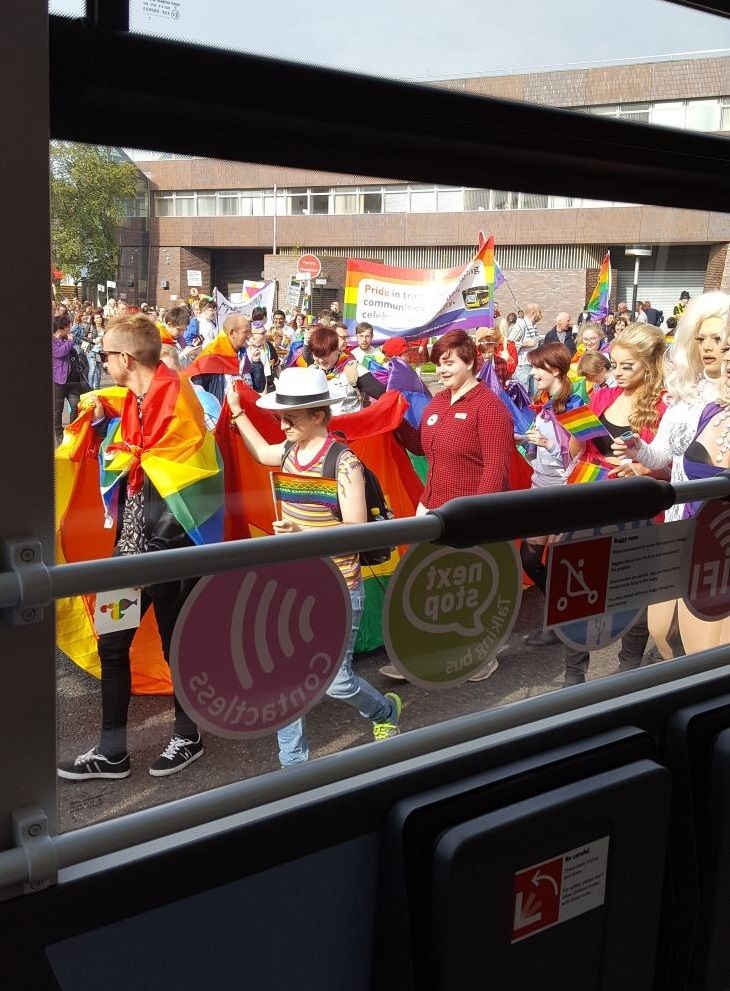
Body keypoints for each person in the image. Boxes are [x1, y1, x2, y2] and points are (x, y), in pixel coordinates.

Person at [57, 314, 224, 780]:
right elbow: (129, 432)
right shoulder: (138, 400)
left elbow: (192, 477)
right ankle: (113, 751)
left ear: (126, 360)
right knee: (113, 647)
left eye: (107, 355)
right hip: (129, 556)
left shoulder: (180, 403)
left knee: (177, 648)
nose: (102, 361)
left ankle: (187, 737)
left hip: (169, 552)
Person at [225, 366, 402, 767]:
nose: (282, 424)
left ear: (318, 416)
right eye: (279, 417)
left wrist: (299, 531)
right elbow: (260, 451)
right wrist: (237, 412)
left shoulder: (344, 464)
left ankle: (384, 711)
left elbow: (357, 534)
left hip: (338, 587)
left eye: (290, 418)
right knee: (286, 680)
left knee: (338, 683)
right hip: (294, 584)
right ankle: (294, 765)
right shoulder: (288, 451)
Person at [611, 292, 730, 658]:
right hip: (676, 521)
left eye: (719, 340)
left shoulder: (722, 401)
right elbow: (665, 454)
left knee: (701, 639)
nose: (708, 348)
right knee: (661, 628)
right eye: (702, 339)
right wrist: (638, 452)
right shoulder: (685, 396)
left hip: (713, 533)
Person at [562, 323, 667, 685]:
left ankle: (628, 674)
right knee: (579, 590)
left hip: (638, 512)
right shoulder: (602, 397)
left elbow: (669, 466)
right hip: (592, 501)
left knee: (632, 591)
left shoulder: (665, 404)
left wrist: (636, 468)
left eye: (628, 366)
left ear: (650, 367)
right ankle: (573, 678)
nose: (618, 373)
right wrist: (572, 431)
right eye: (615, 364)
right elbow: (581, 450)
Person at [519, 343, 583, 647]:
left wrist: (546, 442)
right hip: (539, 489)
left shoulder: (575, 404)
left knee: (558, 561)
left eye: (537, 367)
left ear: (555, 369)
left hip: (563, 495)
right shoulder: (547, 403)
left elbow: (576, 458)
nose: (532, 373)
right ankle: (562, 615)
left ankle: (561, 623)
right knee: (529, 559)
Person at [307, 325, 385, 414]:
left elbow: (385, 397)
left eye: (325, 354)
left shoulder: (355, 370)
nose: (321, 360)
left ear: (337, 349)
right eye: (317, 355)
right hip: (322, 426)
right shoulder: (312, 371)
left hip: (349, 426)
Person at [52, 314, 81, 444]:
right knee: (58, 410)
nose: (69, 329)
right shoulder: (53, 340)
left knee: (76, 407)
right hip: (58, 380)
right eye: (67, 327)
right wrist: (70, 341)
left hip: (73, 381)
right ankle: (58, 435)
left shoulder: (66, 340)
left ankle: (71, 431)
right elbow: (58, 353)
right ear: (61, 327)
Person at [508, 302, 542, 395]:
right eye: (539, 312)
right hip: (522, 366)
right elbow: (509, 343)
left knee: (534, 394)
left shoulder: (534, 326)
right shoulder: (521, 324)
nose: (541, 315)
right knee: (523, 394)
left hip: (533, 364)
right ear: (534, 313)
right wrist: (525, 344)